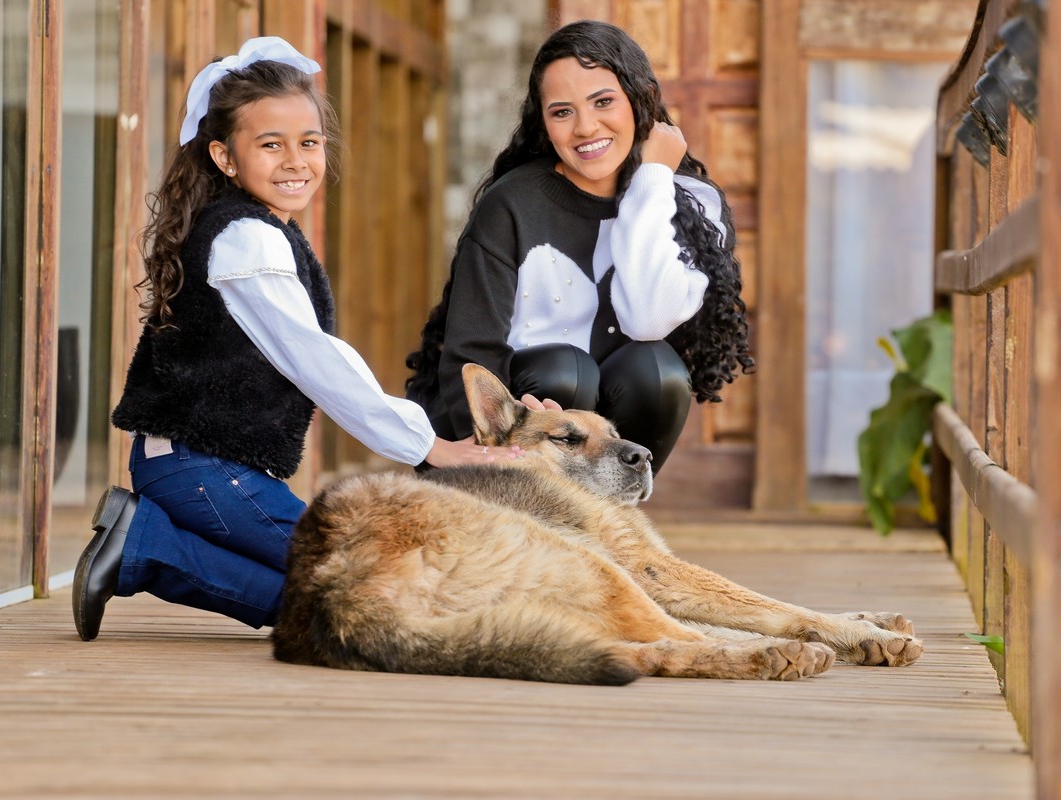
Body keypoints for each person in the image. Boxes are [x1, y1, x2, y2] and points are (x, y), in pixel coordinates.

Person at [72, 37, 532, 642]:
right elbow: (316, 361)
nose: (296, 161)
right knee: (360, 588)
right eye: (271, 145)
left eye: (309, 143)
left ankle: (139, 544)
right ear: (224, 157)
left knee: (336, 598)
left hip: (195, 469)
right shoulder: (248, 240)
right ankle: (142, 546)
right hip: (202, 471)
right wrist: (428, 446)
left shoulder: (256, 230)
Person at [405, 20, 754, 476]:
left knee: (657, 369)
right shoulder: (513, 203)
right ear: (543, 122)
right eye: (562, 112)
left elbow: (648, 320)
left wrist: (651, 181)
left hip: (607, 433)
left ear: (643, 99)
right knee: (567, 369)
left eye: (603, 102)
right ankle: (537, 509)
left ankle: (614, 508)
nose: (585, 127)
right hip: (514, 438)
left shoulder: (691, 203)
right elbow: (472, 354)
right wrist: (488, 445)